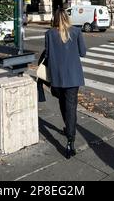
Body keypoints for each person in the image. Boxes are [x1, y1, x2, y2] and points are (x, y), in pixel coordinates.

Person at [45, 8, 87, 159]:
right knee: (71, 106)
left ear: (54, 19)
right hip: (73, 77)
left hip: (57, 77)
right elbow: (83, 52)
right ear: (67, 18)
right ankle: (70, 140)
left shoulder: (49, 33)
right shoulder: (76, 32)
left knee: (63, 104)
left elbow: (48, 55)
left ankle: (68, 128)